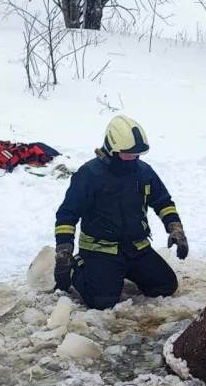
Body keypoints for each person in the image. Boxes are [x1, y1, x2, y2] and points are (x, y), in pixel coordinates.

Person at [53, 115, 188, 310]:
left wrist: (176, 229)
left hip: (136, 248)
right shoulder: (89, 175)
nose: (134, 158)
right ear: (112, 149)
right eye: (129, 153)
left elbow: (163, 202)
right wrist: (64, 253)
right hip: (100, 250)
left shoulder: (144, 172)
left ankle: (123, 272)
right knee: (102, 301)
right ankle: (79, 267)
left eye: (137, 154)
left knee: (165, 286)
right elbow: (67, 215)